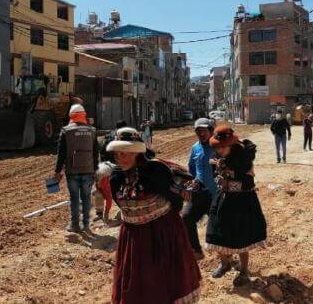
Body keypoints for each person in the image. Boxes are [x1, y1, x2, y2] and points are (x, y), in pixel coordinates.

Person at [107, 127, 201, 303]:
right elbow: (120, 203)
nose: (120, 158)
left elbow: (175, 201)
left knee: (161, 280)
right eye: (117, 154)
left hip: (161, 232)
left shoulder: (156, 171)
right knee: (136, 280)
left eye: (125, 153)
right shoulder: (116, 177)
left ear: (137, 152)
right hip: (133, 236)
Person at [206, 125, 267, 287]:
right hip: (222, 199)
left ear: (231, 144)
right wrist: (220, 181)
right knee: (217, 231)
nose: (219, 150)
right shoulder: (216, 156)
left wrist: (228, 184)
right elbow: (214, 175)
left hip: (242, 201)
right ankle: (225, 263)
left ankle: (244, 271)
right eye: (217, 147)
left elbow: (248, 183)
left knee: (242, 235)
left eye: (222, 147)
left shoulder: (244, 159)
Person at [55, 104, 99, 233]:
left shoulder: (66, 131)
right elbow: (96, 153)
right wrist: (95, 169)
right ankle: (86, 224)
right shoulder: (92, 131)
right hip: (88, 170)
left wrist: (57, 171)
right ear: (84, 115)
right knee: (86, 197)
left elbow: (61, 153)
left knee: (74, 198)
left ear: (71, 116)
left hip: (72, 171)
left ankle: (74, 225)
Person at [182, 118, 217, 260]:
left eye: (204, 130)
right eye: (198, 131)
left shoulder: (218, 146)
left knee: (218, 225)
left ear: (210, 131)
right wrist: (193, 180)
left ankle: (226, 258)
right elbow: (191, 166)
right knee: (186, 218)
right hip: (200, 193)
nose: (201, 133)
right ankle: (196, 250)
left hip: (216, 194)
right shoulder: (195, 147)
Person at [95, 120, 127, 222]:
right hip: (119, 167)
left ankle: (99, 213)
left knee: (99, 190)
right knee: (122, 189)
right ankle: (124, 211)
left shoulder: (108, 135)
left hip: (105, 167)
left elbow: (101, 150)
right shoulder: (125, 136)